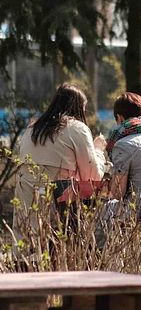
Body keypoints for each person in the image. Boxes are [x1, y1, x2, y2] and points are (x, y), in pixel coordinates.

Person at [13, 83, 107, 234]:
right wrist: (98, 151)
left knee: (29, 249)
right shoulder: (77, 128)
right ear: (79, 107)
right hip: (57, 209)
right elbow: (93, 175)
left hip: (25, 205)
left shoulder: (32, 128)